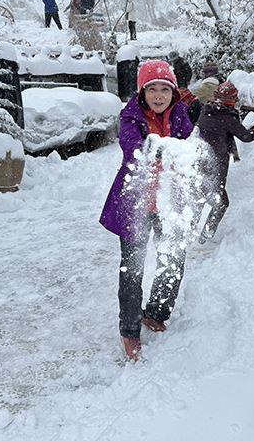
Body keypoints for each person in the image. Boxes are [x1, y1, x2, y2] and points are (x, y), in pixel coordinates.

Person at [99, 60, 194, 361]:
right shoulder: (130, 118)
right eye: (151, 89)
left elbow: (190, 142)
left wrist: (195, 118)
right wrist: (161, 146)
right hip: (136, 205)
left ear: (173, 92)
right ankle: (129, 331)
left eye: (164, 89)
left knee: (173, 261)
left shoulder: (179, 115)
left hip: (170, 202)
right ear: (142, 93)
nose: (158, 95)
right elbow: (133, 148)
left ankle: (155, 312)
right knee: (133, 269)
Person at [196, 81, 254, 242]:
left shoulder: (206, 111)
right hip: (216, 164)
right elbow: (246, 137)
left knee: (199, 197)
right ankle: (204, 236)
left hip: (200, 161)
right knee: (221, 202)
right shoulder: (227, 117)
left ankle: (188, 231)